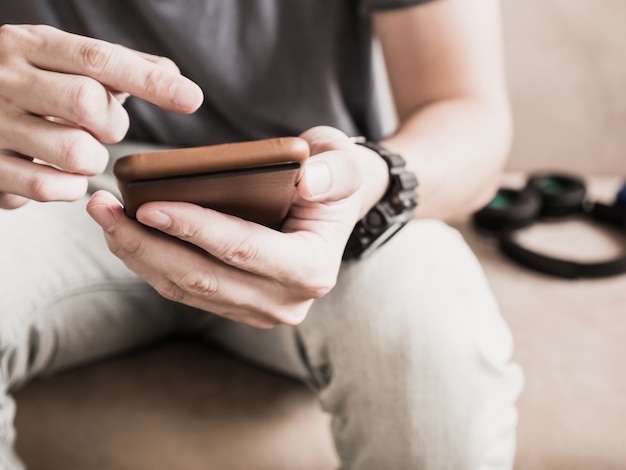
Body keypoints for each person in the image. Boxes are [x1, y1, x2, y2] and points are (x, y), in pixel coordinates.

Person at [0, 1, 524, 469]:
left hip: (324, 193)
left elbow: (468, 113)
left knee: (429, 323)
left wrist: (373, 178)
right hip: (61, 183)